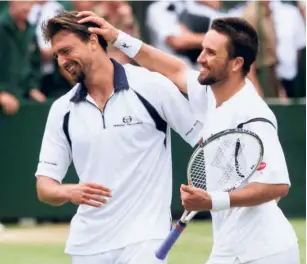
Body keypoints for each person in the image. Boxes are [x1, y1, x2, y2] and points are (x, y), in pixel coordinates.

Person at [77, 12, 300, 264]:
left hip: (265, 253)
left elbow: (278, 185)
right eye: (203, 49)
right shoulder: (211, 92)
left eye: (211, 53)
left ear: (236, 63)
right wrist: (118, 37)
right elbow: (173, 68)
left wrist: (211, 200)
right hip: (231, 249)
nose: (201, 58)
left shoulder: (254, 114)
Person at [35, 11, 203, 264]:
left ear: (93, 41)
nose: (61, 61)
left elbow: (205, 141)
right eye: (57, 54)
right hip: (86, 245)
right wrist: (69, 192)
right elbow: (45, 188)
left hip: (145, 240)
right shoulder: (61, 110)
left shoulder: (152, 87)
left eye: (67, 50)